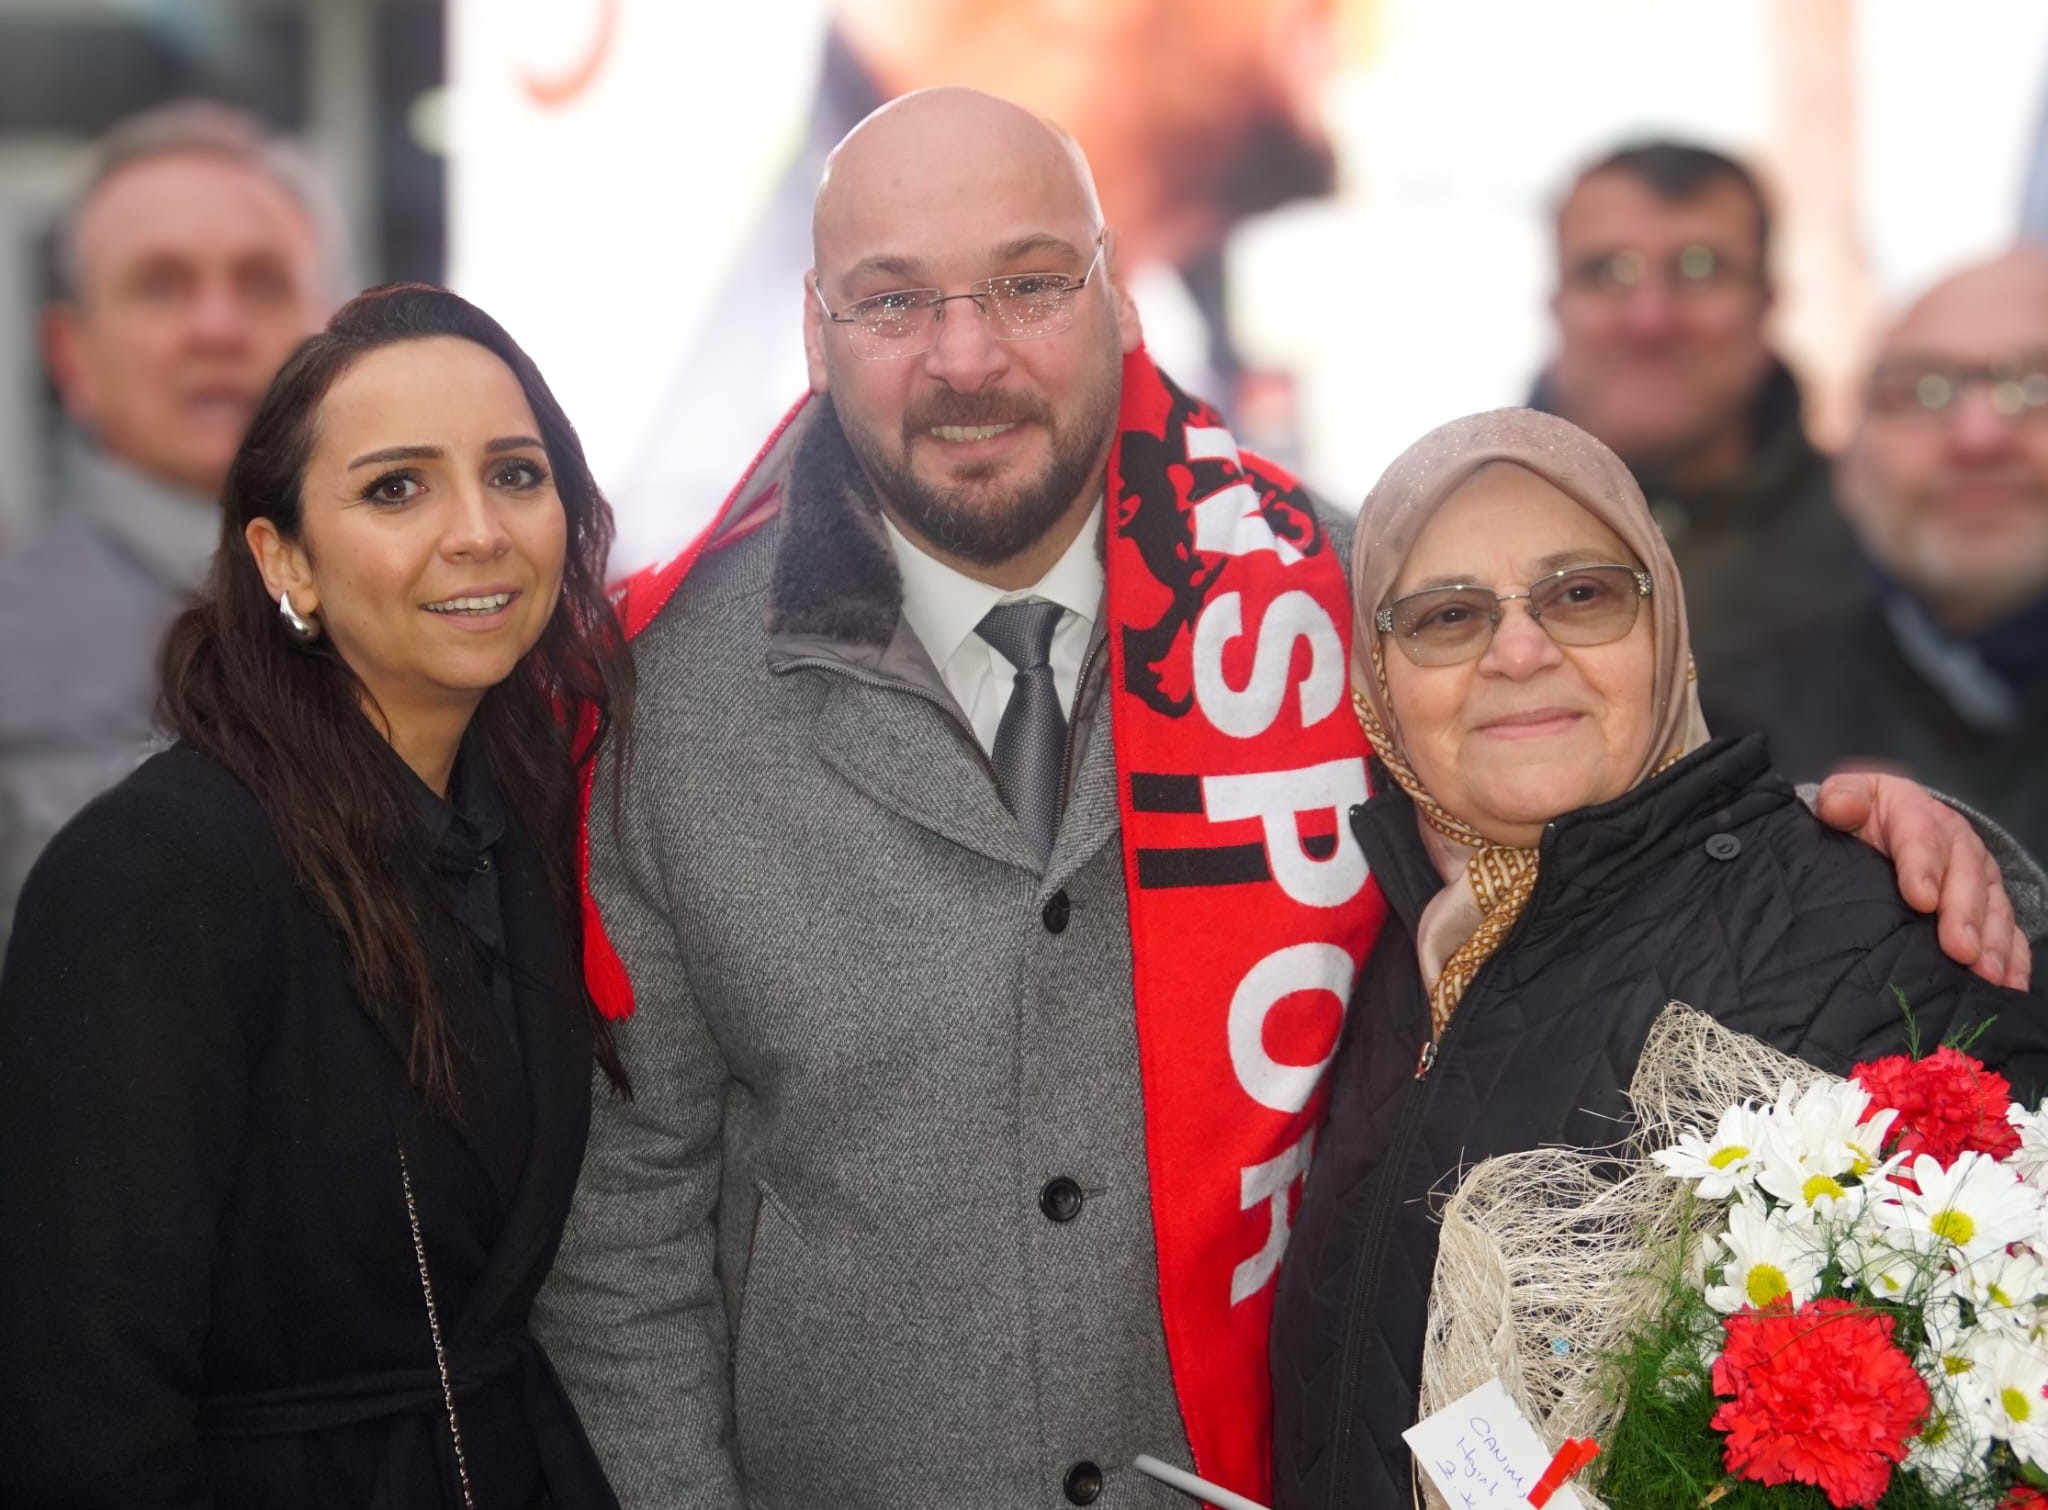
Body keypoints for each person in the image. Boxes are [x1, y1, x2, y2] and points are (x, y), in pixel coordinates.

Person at [537, 89, 2029, 1510]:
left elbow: (1597, 813)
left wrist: (1859, 834)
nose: (967, 355)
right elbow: (627, 1242)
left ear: (1123, 302)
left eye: (1032, 283)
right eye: (891, 299)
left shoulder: (1343, 602)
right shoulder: (666, 697)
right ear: (812, 329)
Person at [1266, 408, 2048, 1510]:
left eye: (1578, 593)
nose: (1519, 648)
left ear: (1664, 624)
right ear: (1378, 684)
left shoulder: (1870, 931)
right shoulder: (1388, 955)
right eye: (1446, 616)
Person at [0, 284, 630, 1507]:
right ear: (283, 559)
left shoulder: (536, 824)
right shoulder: (152, 875)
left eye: (514, 473)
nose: (477, 531)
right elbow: (80, 1416)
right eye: (397, 487)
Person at [613, 0, 1337, 573]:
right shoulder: (735, 504)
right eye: (896, 304)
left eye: (1030, 291)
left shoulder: (1198, 312)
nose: (1360, 14)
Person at [0, 100, 338, 954]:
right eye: (161, 284)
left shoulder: (437, 609)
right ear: (71, 355)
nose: (216, 328)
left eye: (261, 282)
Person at [1709, 247, 2048, 865]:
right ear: (1849, 466)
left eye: (2037, 384)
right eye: (1922, 391)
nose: (1979, 438)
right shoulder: (1726, 745)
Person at [1530, 139, 1862, 681]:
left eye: (1699, 269)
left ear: (1768, 301)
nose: (1650, 319)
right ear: (1555, 303)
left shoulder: (1883, 546)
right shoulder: (1440, 544)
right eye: (1606, 272)